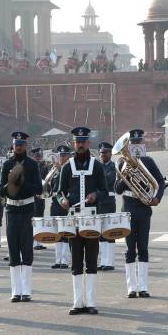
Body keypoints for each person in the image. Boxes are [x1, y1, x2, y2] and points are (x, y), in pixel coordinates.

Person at [57, 127, 108, 315]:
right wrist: (61, 200)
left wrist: (97, 194)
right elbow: (58, 192)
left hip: (92, 217)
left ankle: (91, 301)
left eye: (83, 142)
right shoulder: (66, 166)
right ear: (74, 143)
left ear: (88, 143)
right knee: (76, 259)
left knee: (92, 259)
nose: (80, 145)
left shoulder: (97, 165)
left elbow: (105, 190)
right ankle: (78, 302)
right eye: (77, 142)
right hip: (73, 217)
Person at [115, 129, 165, 299]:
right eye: (132, 143)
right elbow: (117, 189)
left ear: (142, 144)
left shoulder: (149, 161)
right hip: (128, 207)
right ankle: (131, 287)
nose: (135, 146)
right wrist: (125, 174)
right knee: (130, 249)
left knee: (143, 247)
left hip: (144, 208)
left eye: (138, 143)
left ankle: (143, 286)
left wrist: (157, 197)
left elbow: (160, 181)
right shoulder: (123, 162)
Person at [0, 132, 42, 303]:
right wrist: (11, 182)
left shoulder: (32, 164)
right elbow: (0, 190)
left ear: (26, 145)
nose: (19, 147)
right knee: (13, 248)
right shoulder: (7, 164)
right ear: (13, 145)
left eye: (22, 144)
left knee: (27, 249)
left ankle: (27, 290)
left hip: (27, 208)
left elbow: (39, 189)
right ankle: (16, 291)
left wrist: (23, 182)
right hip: (12, 209)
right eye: (16, 144)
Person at [49, 145, 71, 270]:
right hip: (55, 204)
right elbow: (50, 188)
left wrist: (61, 169)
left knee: (66, 232)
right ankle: (58, 259)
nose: (62, 157)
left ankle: (65, 260)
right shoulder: (54, 170)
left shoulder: (69, 169)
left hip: (66, 203)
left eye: (64, 155)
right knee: (57, 233)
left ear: (68, 156)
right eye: (60, 155)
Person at [97, 142, 117, 271]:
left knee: (109, 232)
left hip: (109, 202)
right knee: (100, 233)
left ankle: (110, 262)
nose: (103, 155)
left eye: (105, 152)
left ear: (110, 153)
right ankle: (103, 261)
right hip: (99, 202)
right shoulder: (98, 167)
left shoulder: (113, 167)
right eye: (101, 153)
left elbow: (108, 181)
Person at [31, 148, 48, 251]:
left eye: (39, 156)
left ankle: (38, 241)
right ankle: (35, 242)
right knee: (35, 219)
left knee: (39, 218)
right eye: (37, 156)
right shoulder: (36, 166)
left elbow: (46, 179)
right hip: (34, 195)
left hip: (40, 195)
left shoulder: (43, 166)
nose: (38, 157)